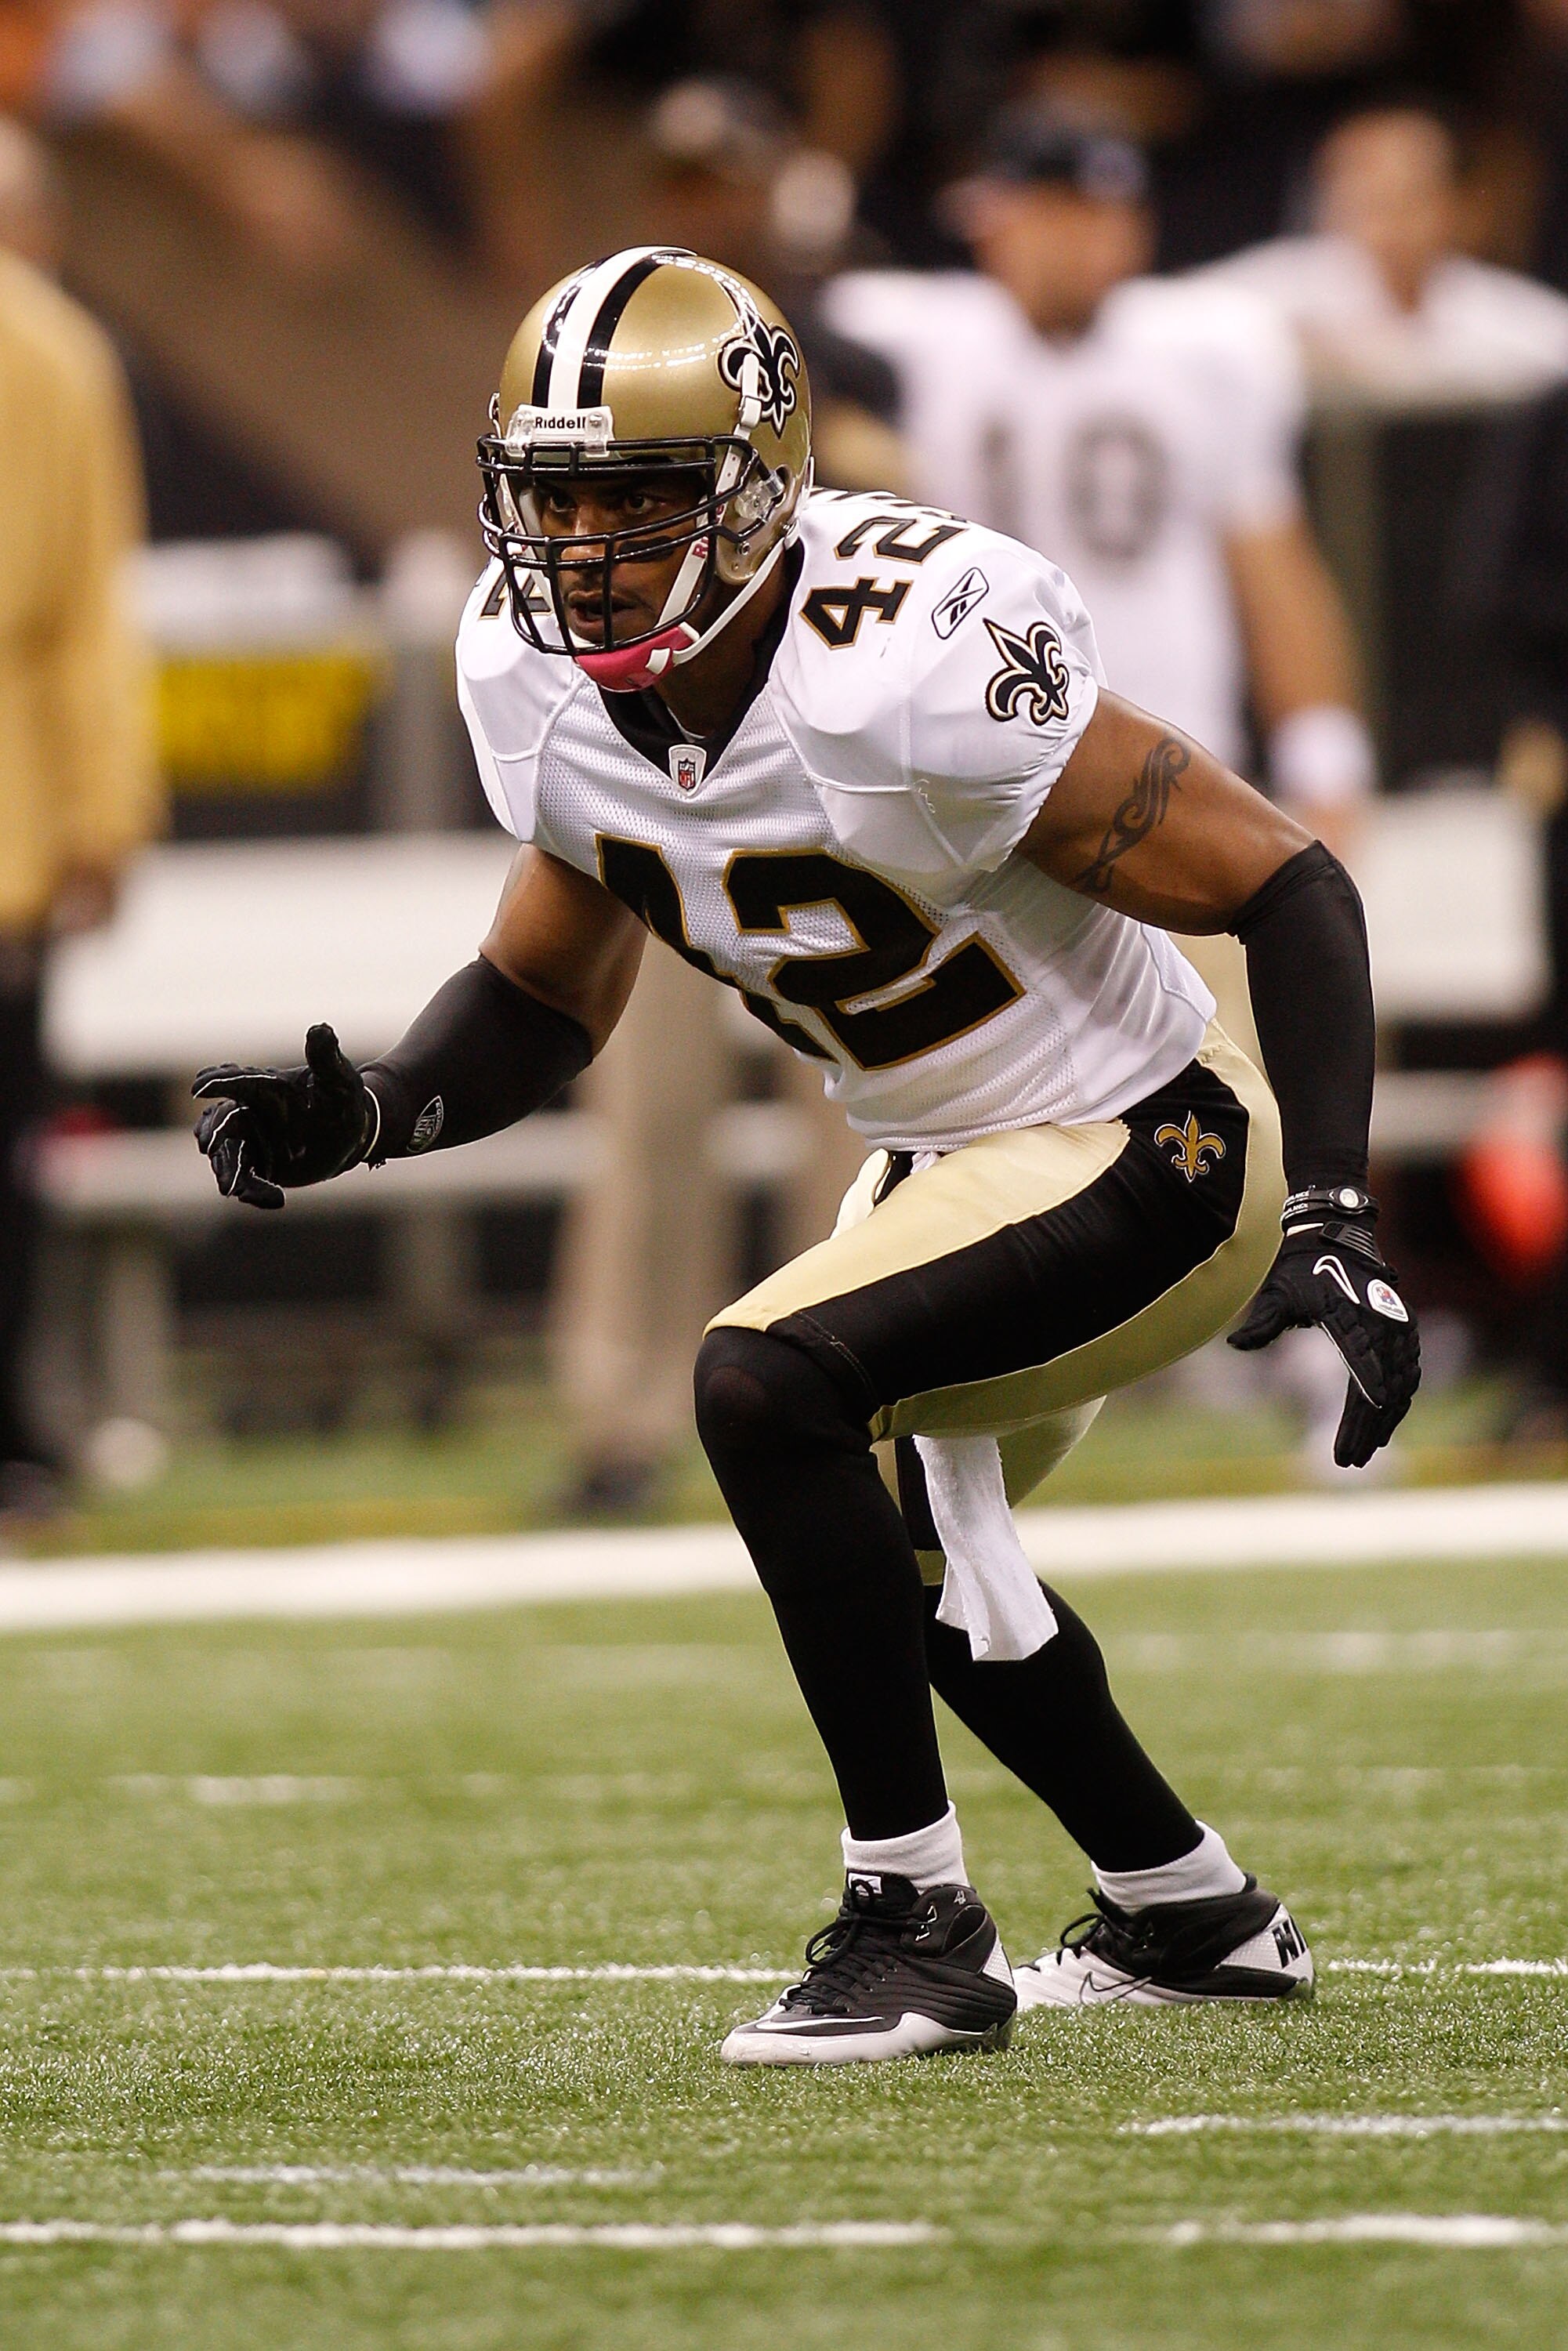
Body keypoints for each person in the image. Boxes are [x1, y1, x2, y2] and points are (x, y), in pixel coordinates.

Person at [191, 248, 1419, 2062]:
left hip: (1149, 1134)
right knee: (914, 1543)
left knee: (769, 1384)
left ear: (757, 489)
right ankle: (1191, 1913)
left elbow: (1277, 876)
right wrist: (379, 1105)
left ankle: (910, 1916)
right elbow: (546, 990)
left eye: (634, 499)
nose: (585, 548)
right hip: (947, 1161)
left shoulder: (904, 658)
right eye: (554, 500)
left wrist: (1328, 1196)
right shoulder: (536, 686)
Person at [825, 114, 1377, 864]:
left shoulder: (1207, 348)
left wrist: (1324, 753)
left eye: (1091, 217)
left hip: (1173, 758)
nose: (1070, 243)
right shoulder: (907, 339)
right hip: (964, 773)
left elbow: (1269, 561)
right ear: (987, 220)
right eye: (1047, 214)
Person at [0, 205, 159, 1508]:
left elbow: (78, 610)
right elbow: (86, 608)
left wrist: (100, 812)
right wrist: (100, 815)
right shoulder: (47, 344)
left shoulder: (44, 350)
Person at [1200, 103, 1568, 402]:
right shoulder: (1265, 291)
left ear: (1455, 207)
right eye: (1364, 201)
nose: (1385, 227)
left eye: (1405, 200)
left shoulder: (1504, 313)